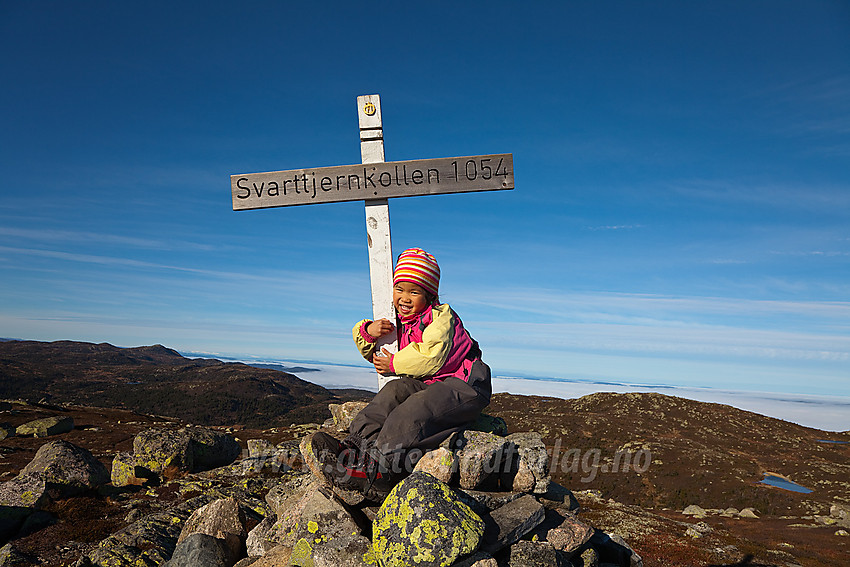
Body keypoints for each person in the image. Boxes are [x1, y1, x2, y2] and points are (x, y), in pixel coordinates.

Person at [308, 248, 492, 500]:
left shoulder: (441, 317)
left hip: (466, 383)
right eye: (400, 289)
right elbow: (378, 353)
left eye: (414, 292)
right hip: (430, 381)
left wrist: (394, 363)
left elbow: (432, 356)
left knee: (414, 409)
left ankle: (380, 471)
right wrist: (368, 333)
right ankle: (357, 446)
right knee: (392, 392)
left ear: (429, 295)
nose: (405, 298)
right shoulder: (402, 321)